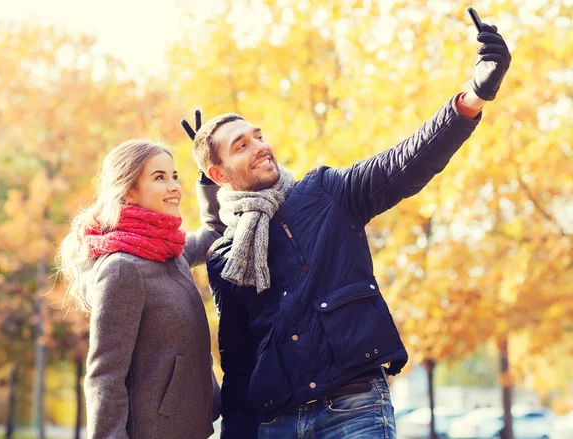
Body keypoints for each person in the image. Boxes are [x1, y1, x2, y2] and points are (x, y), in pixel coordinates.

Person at [185, 18, 511, 439]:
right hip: (276, 424)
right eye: (240, 145)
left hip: (353, 411)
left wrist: (473, 97)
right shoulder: (226, 256)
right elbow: (239, 364)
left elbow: (402, 164)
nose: (260, 146)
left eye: (257, 135)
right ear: (218, 173)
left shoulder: (325, 193)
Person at [58, 138, 224, 438]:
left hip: (193, 427)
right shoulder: (123, 269)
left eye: (174, 176)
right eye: (159, 177)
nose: (174, 186)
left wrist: (207, 171)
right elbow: (105, 374)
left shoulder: (172, 250)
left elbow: (216, 233)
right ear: (129, 191)